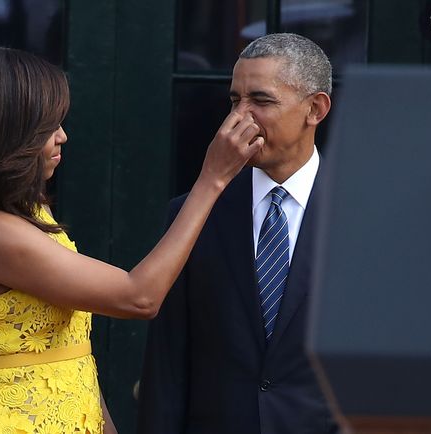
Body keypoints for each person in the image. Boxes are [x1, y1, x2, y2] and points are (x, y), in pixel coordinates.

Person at [0, 46, 263, 434]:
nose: (62, 137)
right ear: (8, 132)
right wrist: (213, 179)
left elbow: (67, 354)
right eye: (48, 127)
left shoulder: (28, 213)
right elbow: (140, 297)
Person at [137, 33, 339, 434]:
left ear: (314, 108)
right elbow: (167, 366)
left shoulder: (363, 215)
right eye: (234, 101)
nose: (239, 117)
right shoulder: (193, 213)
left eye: (261, 101)